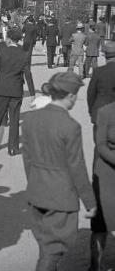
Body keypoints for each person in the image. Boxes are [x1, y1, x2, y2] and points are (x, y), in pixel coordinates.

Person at [22, 72, 96, 271]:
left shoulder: (30, 120)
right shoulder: (70, 126)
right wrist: (89, 202)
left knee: (45, 247)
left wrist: (35, 183)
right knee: (52, 252)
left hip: (36, 193)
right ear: (71, 96)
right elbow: (77, 168)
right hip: (60, 199)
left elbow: (27, 159)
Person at [0, 26, 35, 156]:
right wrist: (32, 93)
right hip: (16, 90)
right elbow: (27, 73)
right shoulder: (23, 53)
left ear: (9, 38)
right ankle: (13, 147)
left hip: (1, 89)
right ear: (19, 39)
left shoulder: (2, 51)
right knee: (14, 120)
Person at [89, 101, 115, 270]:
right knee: (100, 224)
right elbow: (100, 145)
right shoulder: (105, 112)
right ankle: (95, 266)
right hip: (107, 172)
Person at [87, 41, 115, 127]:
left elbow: (90, 95)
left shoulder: (98, 72)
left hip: (99, 114)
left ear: (105, 56)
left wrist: (92, 111)